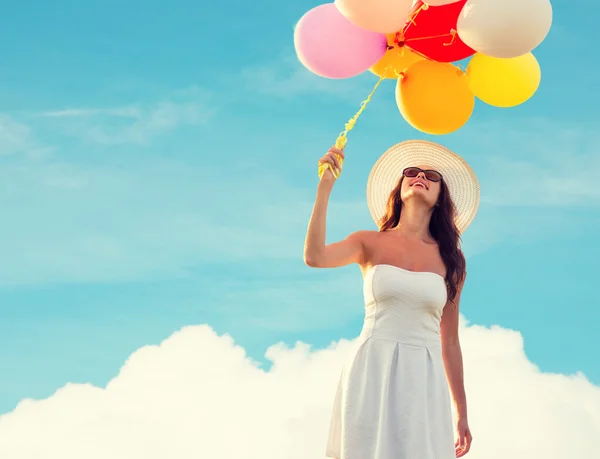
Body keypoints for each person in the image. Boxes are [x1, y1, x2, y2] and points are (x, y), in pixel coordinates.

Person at [303, 139, 480, 459]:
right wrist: (325, 187)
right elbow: (315, 257)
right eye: (411, 171)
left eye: (432, 175)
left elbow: (450, 342)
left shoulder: (452, 262)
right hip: (372, 367)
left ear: (441, 198)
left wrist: (461, 412)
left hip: (424, 377)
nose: (420, 176)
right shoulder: (367, 242)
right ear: (399, 188)